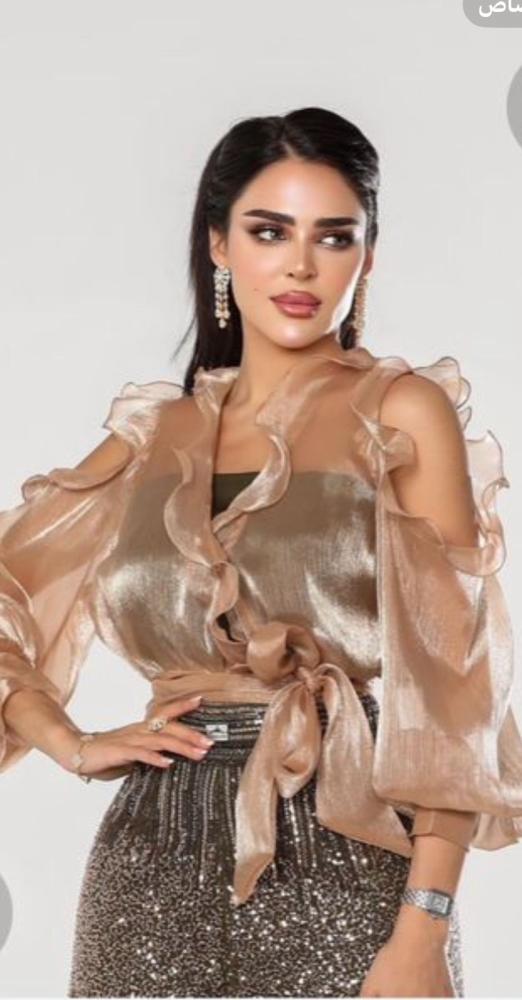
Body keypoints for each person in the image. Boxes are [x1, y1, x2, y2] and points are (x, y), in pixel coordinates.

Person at [1, 106, 522, 999]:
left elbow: (454, 692)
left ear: (368, 256)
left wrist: (425, 927)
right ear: (219, 245)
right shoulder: (153, 435)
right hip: (148, 869)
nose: (300, 265)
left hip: (353, 853)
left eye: (334, 237)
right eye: (270, 231)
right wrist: (71, 742)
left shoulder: (401, 414)